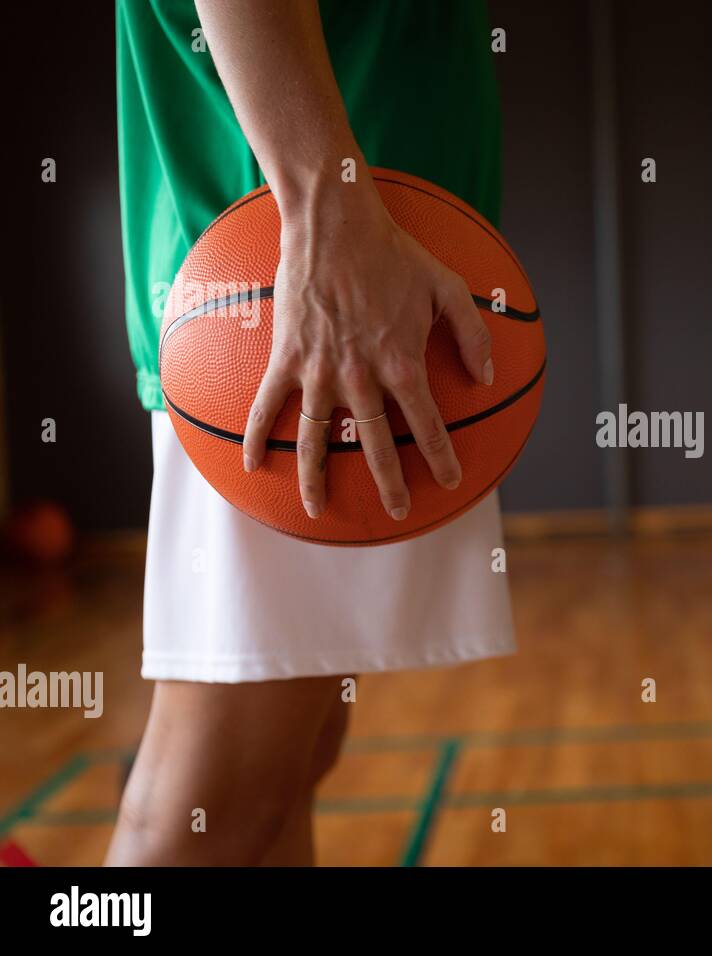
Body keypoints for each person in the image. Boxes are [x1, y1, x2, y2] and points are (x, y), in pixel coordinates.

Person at [107, 0, 512, 865]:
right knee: (209, 798)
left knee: (284, 767)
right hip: (293, 287)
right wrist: (323, 213)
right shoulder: (313, 248)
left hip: (356, 271)